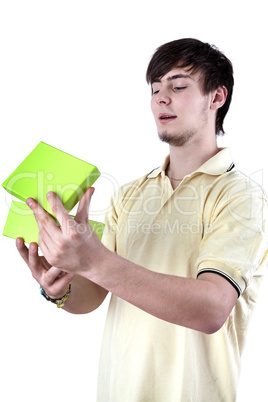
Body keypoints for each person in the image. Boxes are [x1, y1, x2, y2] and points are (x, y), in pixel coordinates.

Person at [16, 38, 268, 401]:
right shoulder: (129, 195)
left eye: (178, 86)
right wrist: (60, 286)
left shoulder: (242, 197)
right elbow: (94, 295)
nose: (161, 98)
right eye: (155, 89)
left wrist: (94, 261)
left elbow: (211, 308)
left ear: (216, 97)